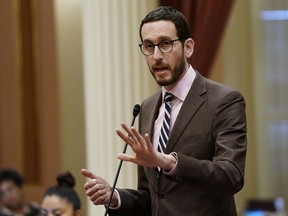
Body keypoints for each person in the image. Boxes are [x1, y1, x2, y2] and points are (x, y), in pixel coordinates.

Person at [81, 5, 247, 216]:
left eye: (165, 44)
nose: (156, 56)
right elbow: (153, 197)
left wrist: (170, 162)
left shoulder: (223, 100)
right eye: (149, 46)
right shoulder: (148, 107)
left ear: (188, 47)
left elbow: (231, 176)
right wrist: (115, 197)